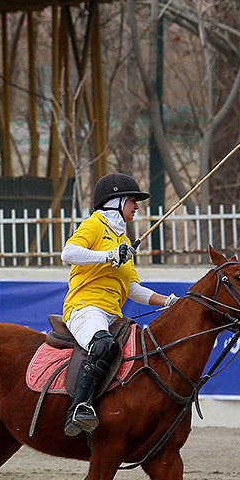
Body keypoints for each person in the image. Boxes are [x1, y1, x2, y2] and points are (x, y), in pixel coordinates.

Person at [60, 172, 179, 437]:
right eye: (132, 201)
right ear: (116, 201)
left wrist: (169, 302)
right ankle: (78, 408)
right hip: (85, 307)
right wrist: (109, 256)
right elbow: (68, 253)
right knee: (103, 345)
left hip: (113, 315)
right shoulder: (94, 224)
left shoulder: (124, 242)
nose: (136, 206)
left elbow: (133, 289)